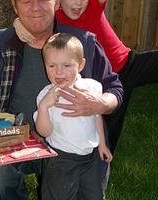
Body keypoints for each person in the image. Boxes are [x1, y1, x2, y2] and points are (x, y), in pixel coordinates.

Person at [0, 0, 123, 199]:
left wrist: (101, 103)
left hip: (72, 145)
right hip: (15, 139)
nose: (36, 7)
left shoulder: (81, 42)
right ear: (14, 5)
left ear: (57, 3)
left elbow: (114, 88)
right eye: (27, 1)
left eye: (44, 0)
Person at [14, 0, 158, 154]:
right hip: (102, 81)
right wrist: (18, 23)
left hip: (127, 63)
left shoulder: (93, 6)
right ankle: (103, 159)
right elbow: (35, 18)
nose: (78, 3)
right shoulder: (55, 16)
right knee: (107, 126)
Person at [33, 32, 112, 200]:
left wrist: (102, 145)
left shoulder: (92, 87)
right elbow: (44, 132)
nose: (59, 72)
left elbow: (97, 116)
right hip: (61, 159)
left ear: (81, 64)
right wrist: (44, 108)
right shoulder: (46, 96)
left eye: (67, 65)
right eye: (52, 66)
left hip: (90, 158)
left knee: (93, 195)